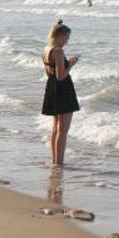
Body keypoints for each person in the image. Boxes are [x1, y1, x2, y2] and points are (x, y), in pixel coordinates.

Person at [41, 20, 80, 166]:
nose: (67, 42)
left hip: (51, 87)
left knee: (56, 128)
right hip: (63, 89)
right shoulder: (58, 50)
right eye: (67, 38)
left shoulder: (47, 49)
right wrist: (70, 64)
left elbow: (50, 73)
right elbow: (61, 76)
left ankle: (55, 161)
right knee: (63, 130)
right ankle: (59, 163)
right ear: (60, 36)